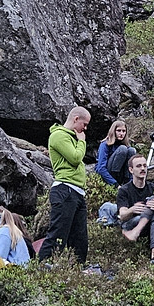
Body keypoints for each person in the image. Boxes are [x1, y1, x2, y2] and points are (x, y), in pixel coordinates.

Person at [41, 106, 91, 267]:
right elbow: (75, 158)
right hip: (65, 189)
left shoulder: (71, 137)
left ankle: (78, 268)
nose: (85, 128)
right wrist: (82, 141)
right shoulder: (59, 136)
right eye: (84, 124)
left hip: (77, 192)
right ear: (76, 119)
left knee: (80, 237)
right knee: (58, 233)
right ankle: (42, 266)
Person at [114, 154, 154, 264]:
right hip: (130, 224)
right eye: (139, 166)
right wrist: (132, 209)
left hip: (148, 226)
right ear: (131, 170)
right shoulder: (124, 190)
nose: (143, 168)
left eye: (145, 165)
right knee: (153, 203)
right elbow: (122, 215)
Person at [94, 119, 135, 188]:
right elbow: (100, 168)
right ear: (113, 131)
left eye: (123, 131)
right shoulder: (105, 144)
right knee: (122, 149)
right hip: (109, 176)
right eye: (119, 131)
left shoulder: (126, 146)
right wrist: (115, 184)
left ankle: (128, 184)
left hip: (122, 175)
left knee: (131, 150)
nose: (121, 133)